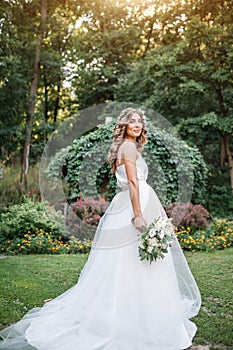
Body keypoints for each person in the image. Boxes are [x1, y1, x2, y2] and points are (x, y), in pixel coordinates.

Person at [0, 107, 201, 350]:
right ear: (124, 125)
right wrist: (138, 216)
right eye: (132, 121)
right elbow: (134, 183)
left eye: (140, 121)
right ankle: (138, 318)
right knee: (136, 261)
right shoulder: (128, 147)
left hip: (131, 203)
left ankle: (137, 312)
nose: (137, 124)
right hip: (133, 206)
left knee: (130, 262)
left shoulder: (126, 147)